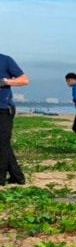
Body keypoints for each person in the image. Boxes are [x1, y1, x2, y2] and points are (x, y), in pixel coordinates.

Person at [0, 54, 28, 186]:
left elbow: (24, 80)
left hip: (3, 108)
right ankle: (17, 176)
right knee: (3, 143)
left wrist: (4, 81)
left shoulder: (5, 60)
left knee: (2, 143)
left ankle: (1, 178)